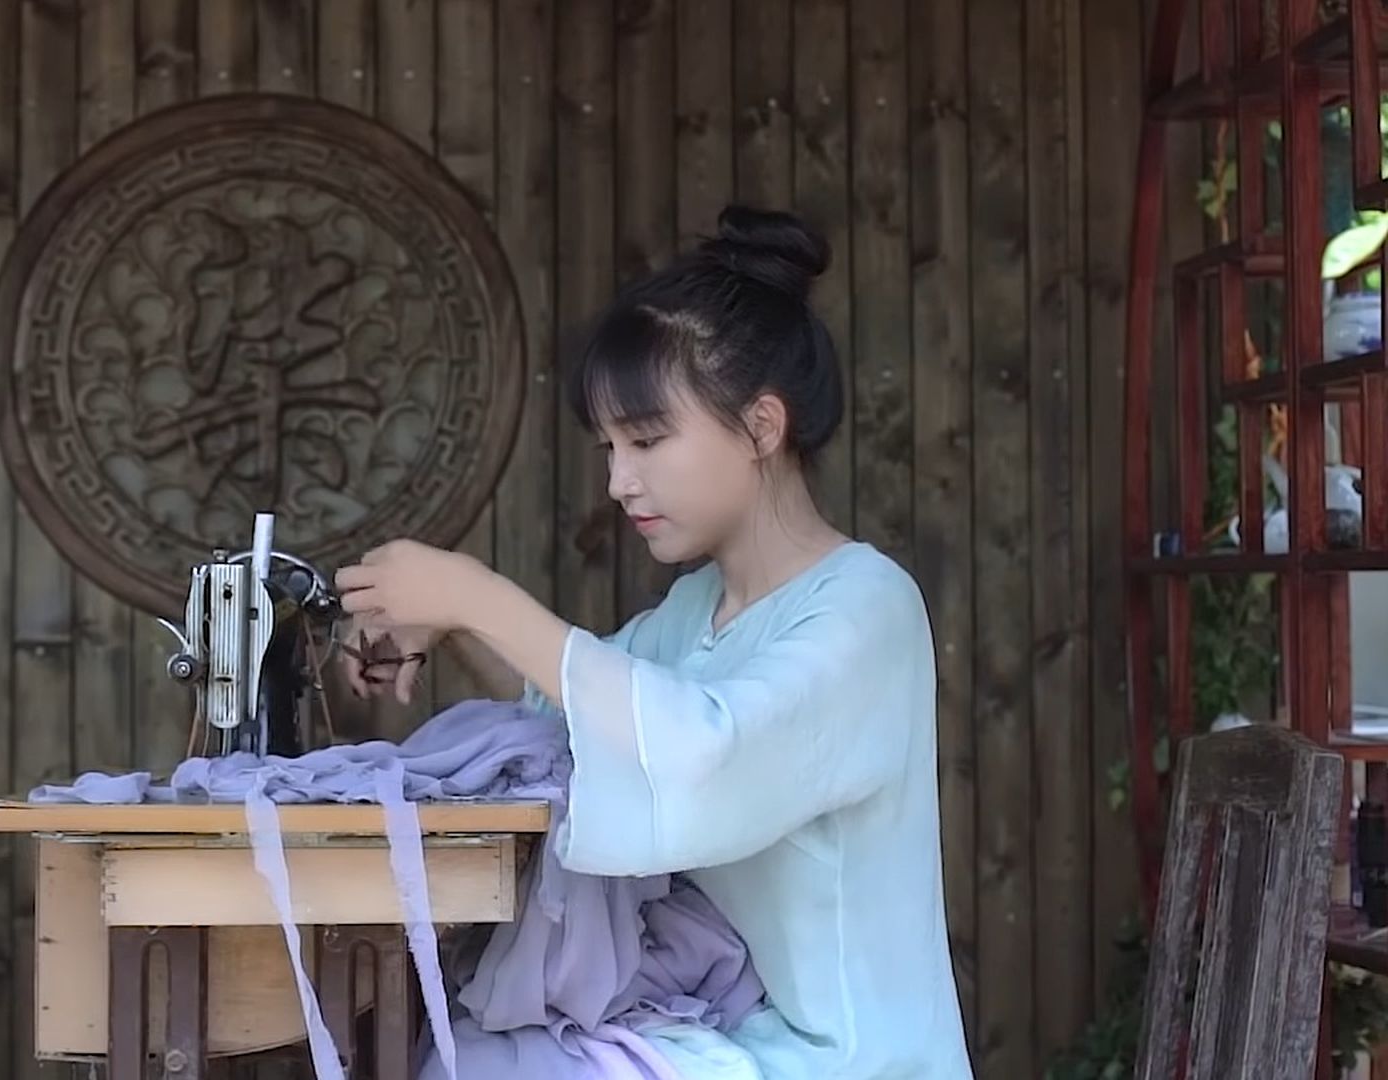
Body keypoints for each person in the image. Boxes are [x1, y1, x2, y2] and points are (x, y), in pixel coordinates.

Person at [333, 205, 974, 1079]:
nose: (617, 480)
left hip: (843, 1058)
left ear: (761, 428)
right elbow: (574, 717)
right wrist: (453, 622)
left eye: (646, 440)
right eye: (608, 446)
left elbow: (699, 753)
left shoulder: (866, 608)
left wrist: (479, 594)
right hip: (720, 1029)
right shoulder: (699, 608)